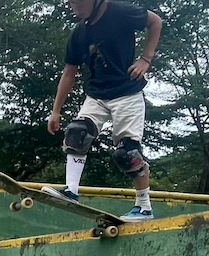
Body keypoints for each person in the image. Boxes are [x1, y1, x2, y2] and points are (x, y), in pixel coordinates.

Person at [43, 0, 162, 222]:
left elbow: (155, 22)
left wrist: (146, 58)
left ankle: (144, 207)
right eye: (71, 3)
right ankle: (71, 191)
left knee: (128, 153)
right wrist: (55, 111)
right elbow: (69, 73)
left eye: (78, 2)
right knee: (77, 132)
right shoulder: (79, 33)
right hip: (97, 95)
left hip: (127, 93)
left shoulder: (120, 11)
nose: (74, 7)